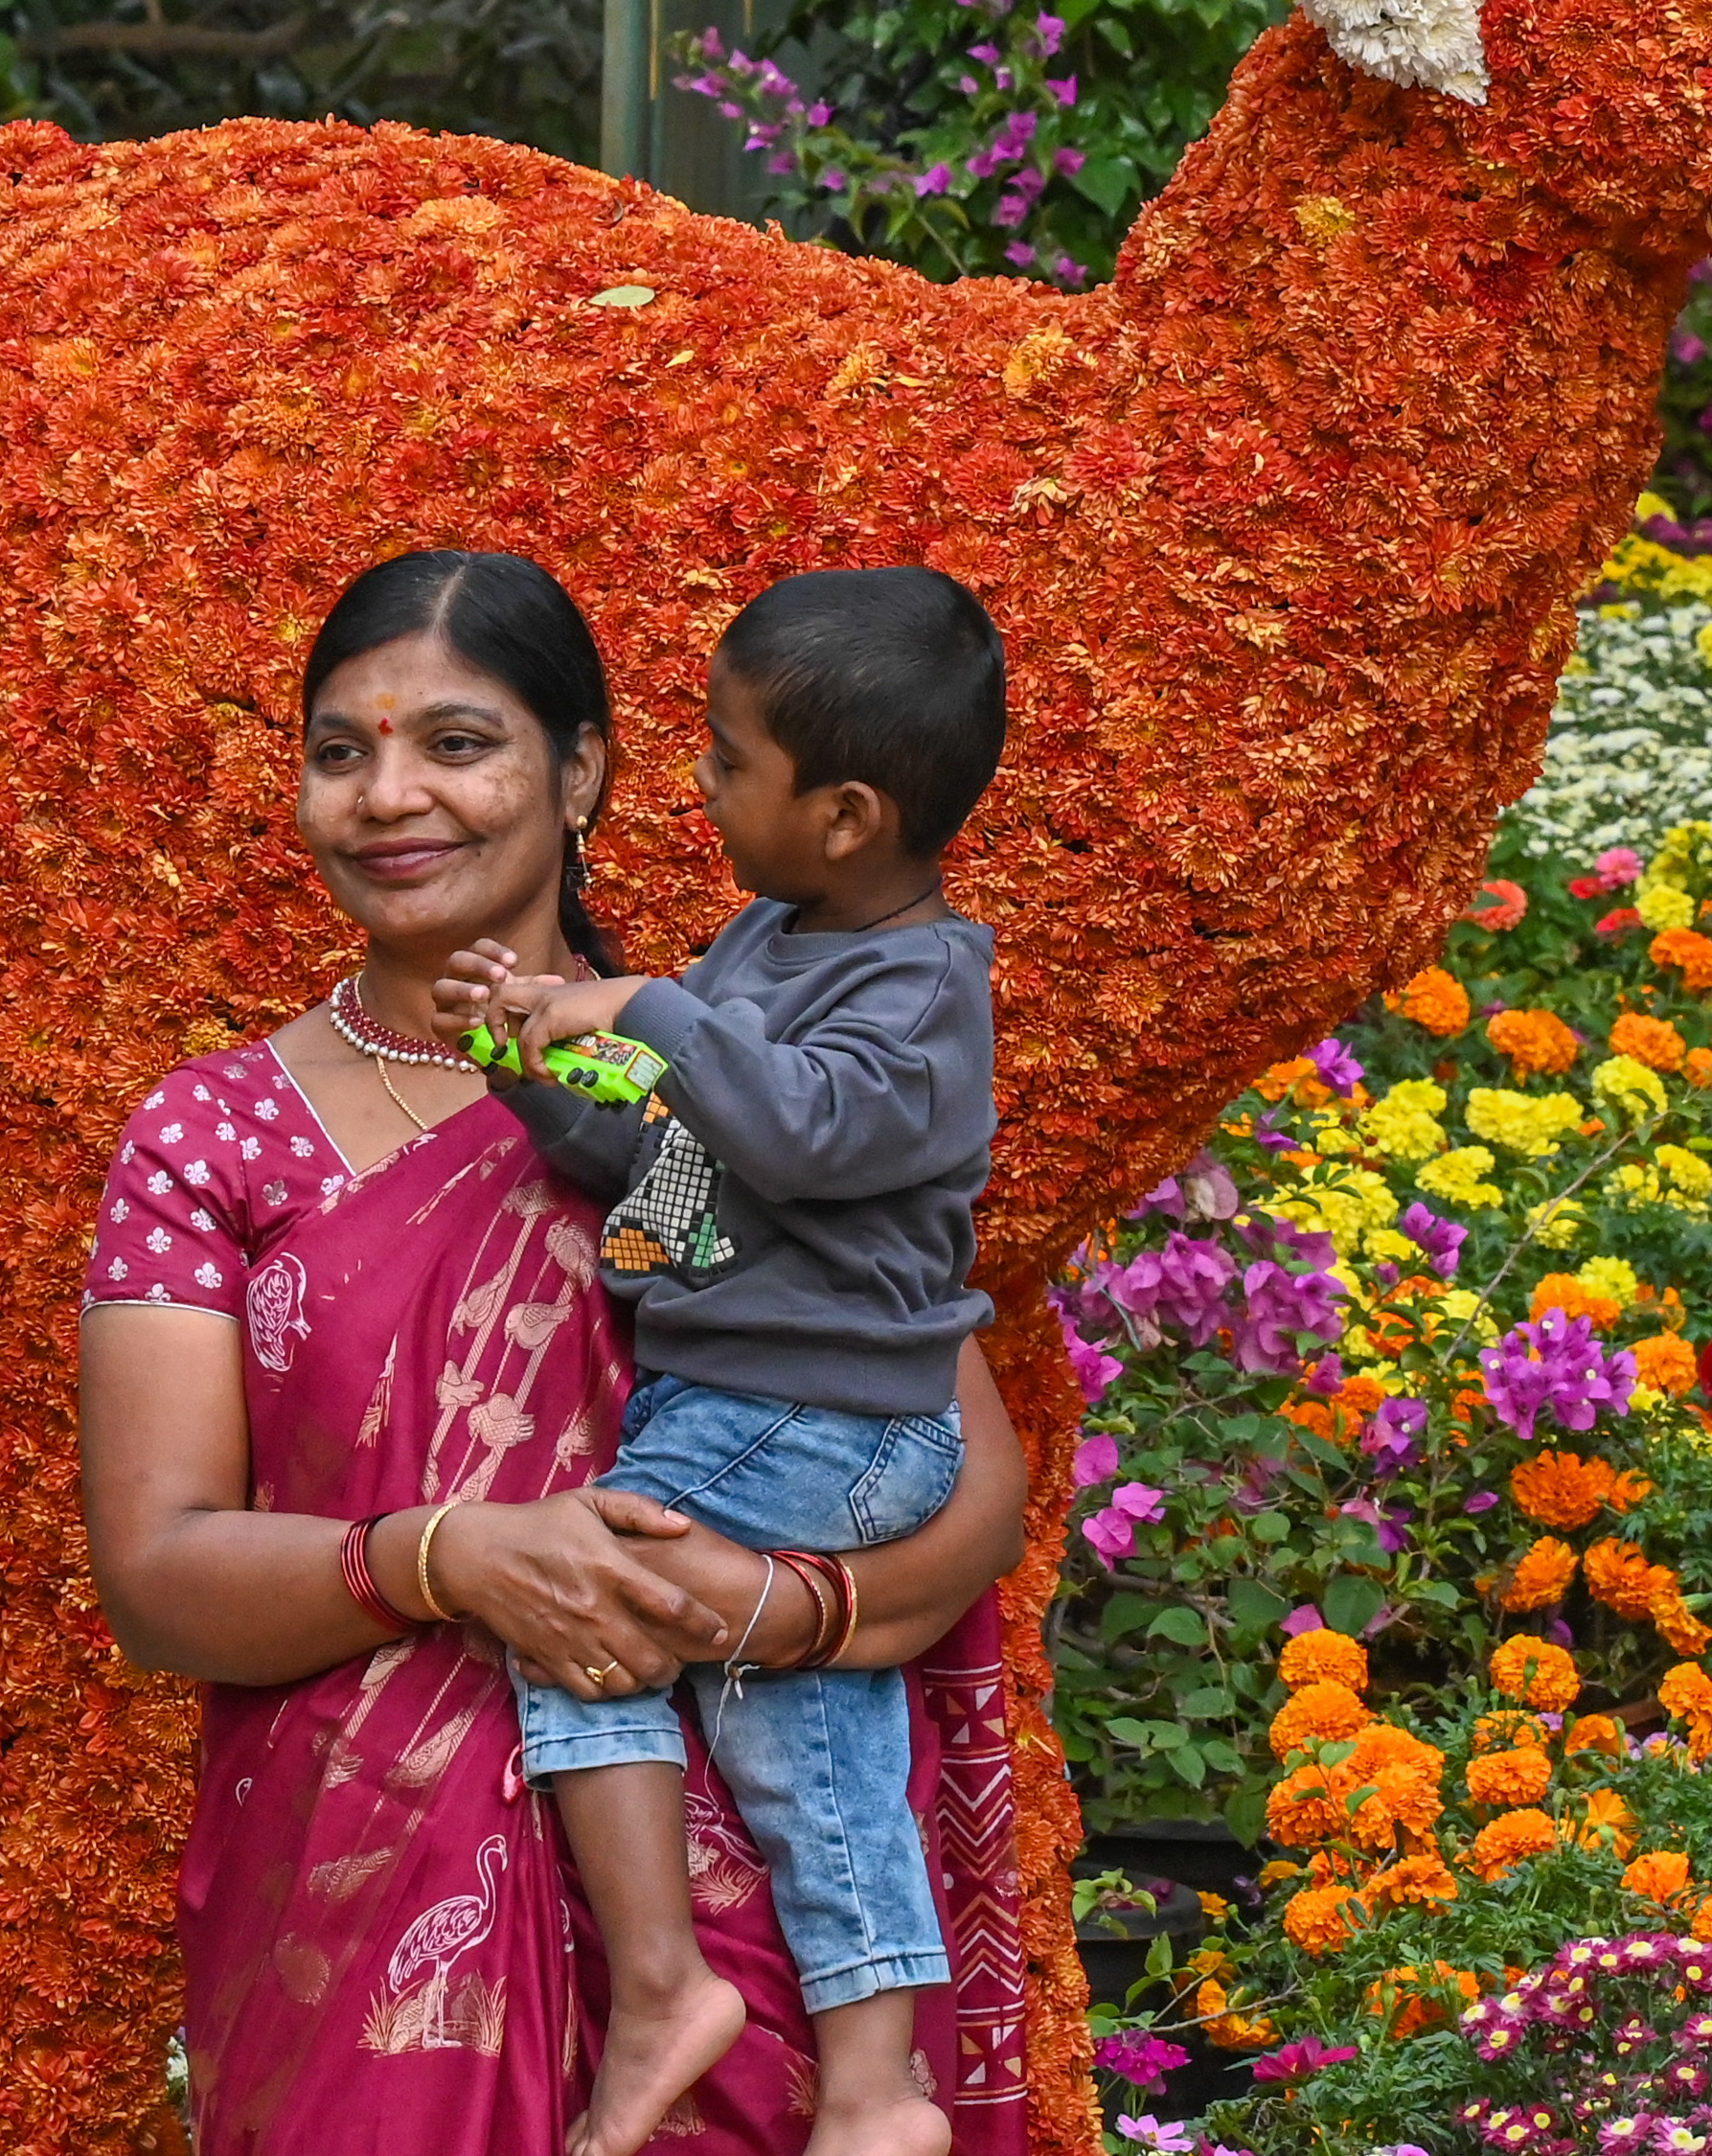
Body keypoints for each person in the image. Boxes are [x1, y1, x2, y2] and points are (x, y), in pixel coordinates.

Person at [77, 549, 1031, 2156]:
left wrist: (771, 1609)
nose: (390, 795)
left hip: (753, 1921)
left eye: (457, 743)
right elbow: (159, 1574)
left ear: (581, 771)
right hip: (359, 1929)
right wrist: (449, 1557)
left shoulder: (731, 1075)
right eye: (339, 750)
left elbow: (953, 1477)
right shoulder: (215, 1134)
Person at [449, 566, 1008, 2156]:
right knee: (809, 1742)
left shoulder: (922, 993)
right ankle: (878, 2086)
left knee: (576, 1607)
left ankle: (658, 1989)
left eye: (726, 752)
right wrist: (529, 1069)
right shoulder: (768, 940)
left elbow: (801, 1129)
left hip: (817, 1412)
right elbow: (671, 1156)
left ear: (844, 816)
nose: (694, 775)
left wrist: (648, 1003)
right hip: (766, 1408)